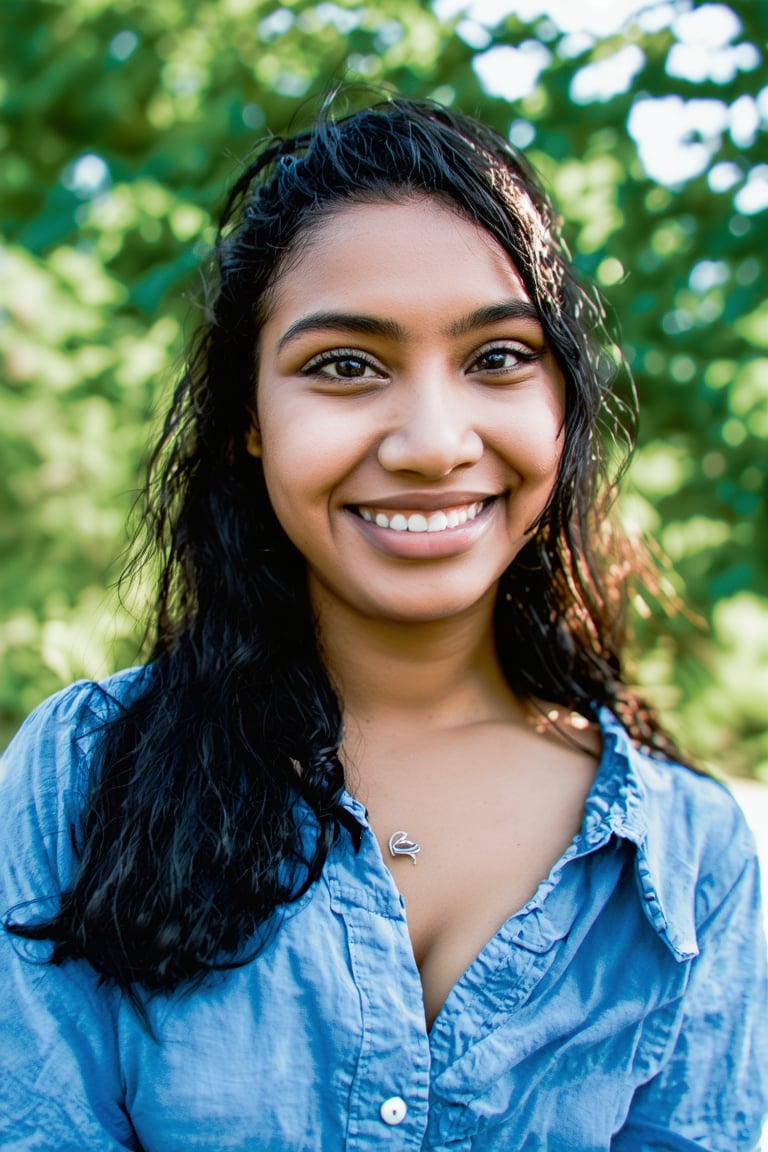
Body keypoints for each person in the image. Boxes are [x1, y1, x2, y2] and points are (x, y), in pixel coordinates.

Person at [1, 93, 766, 1152]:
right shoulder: (81, 777)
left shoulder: (690, 864)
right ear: (248, 427)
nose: (431, 442)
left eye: (498, 357)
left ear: (563, 407)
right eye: (345, 366)